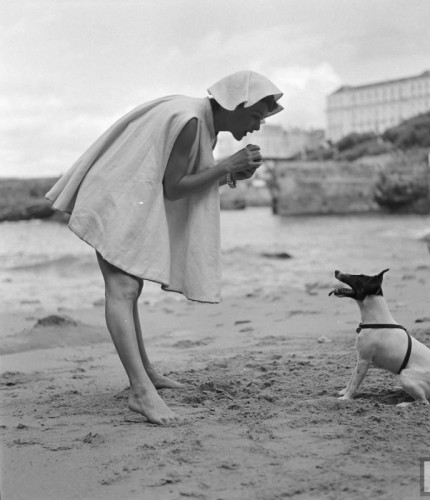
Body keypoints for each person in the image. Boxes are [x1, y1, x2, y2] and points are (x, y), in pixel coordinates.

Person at [46, 70, 284, 425]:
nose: (258, 126)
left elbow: (180, 182)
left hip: (123, 191)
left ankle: (147, 375)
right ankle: (141, 391)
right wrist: (226, 167)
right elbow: (174, 188)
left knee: (130, 287)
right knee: (123, 287)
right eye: (256, 116)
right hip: (115, 194)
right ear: (236, 104)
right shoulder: (191, 120)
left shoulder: (202, 122)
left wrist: (231, 174)